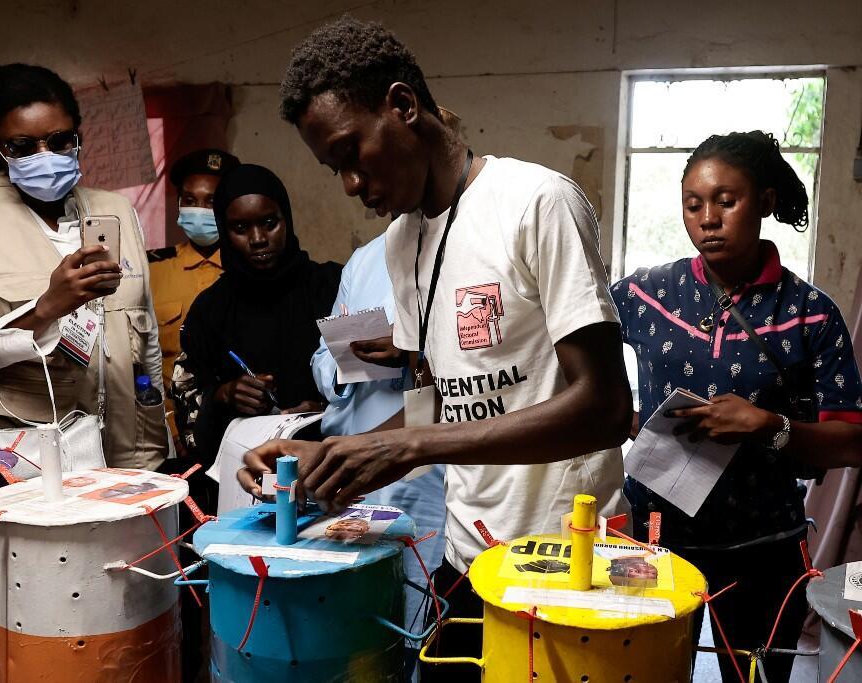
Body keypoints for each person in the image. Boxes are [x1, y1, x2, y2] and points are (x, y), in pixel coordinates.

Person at [240, 18, 631, 680]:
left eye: (350, 153)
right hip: (466, 558)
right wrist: (338, 455)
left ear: (402, 105)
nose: (350, 185)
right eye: (333, 169)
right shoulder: (404, 242)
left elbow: (606, 409)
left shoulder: (536, 203)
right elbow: (439, 406)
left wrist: (413, 448)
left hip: (565, 562)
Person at [612, 131, 862, 682]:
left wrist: (768, 427)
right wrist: (624, 418)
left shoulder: (810, 314)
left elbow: (851, 440)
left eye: (727, 201)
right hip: (654, 542)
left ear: (765, 203)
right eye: (693, 204)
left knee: (752, 676)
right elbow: (571, 346)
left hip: (763, 549)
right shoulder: (645, 295)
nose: (708, 219)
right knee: (640, 671)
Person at [0, 63, 169, 469]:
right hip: (21, 451)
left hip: (129, 448)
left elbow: (146, 340)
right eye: (23, 146)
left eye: (59, 140)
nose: (46, 156)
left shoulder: (116, 210)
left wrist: (161, 437)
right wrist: (45, 310)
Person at [310, 231, 446, 680]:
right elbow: (322, 359)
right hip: (358, 456)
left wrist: (410, 354)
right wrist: (345, 362)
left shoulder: (460, 252)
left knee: (421, 605)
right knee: (361, 619)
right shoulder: (364, 261)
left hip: (426, 475)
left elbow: (480, 370)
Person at [181, 163, 342, 469]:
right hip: (245, 476)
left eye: (269, 223)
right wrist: (224, 395)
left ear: (287, 219)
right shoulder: (210, 309)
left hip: (329, 469)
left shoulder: (331, 286)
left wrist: (325, 412)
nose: (257, 239)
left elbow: (373, 389)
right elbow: (187, 416)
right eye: (240, 229)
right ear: (224, 232)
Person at [147, 148, 239, 452]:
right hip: (170, 433)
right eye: (189, 200)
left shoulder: (252, 268)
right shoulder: (152, 270)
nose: (199, 210)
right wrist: (170, 426)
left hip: (241, 427)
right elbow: (143, 365)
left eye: (211, 202)